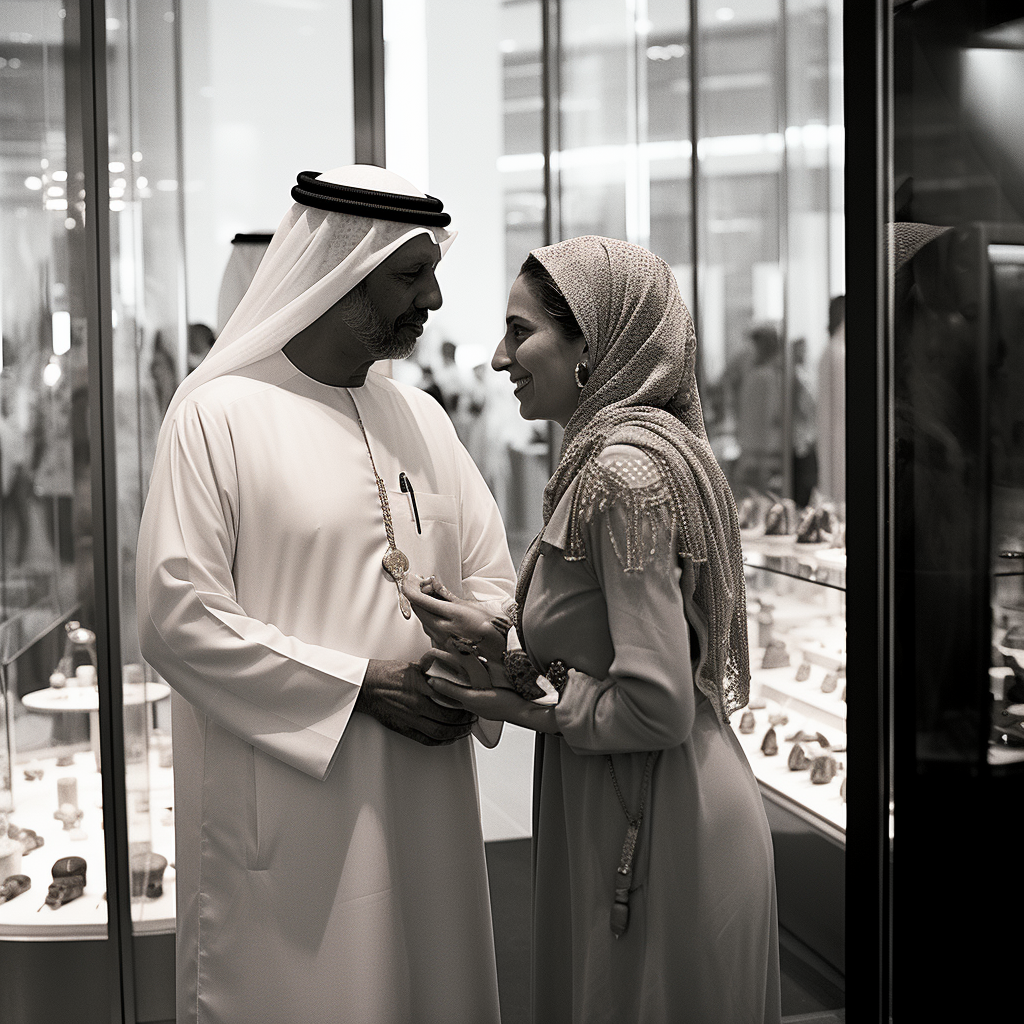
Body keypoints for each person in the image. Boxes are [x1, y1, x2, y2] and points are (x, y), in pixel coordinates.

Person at [136, 165, 516, 1024]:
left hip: (430, 793)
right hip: (291, 815)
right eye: (410, 276)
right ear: (346, 273)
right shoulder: (216, 415)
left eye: (431, 271)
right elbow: (176, 616)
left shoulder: (421, 419)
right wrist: (366, 685)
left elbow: (492, 573)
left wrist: (470, 661)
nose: (435, 296)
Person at [409, 236, 781, 1023]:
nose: (502, 356)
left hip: (660, 827)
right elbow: (606, 645)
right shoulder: (610, 462)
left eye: (521, 331)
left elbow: (656, 706)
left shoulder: (622, 475)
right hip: (631, 806)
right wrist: (499, 639)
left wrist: (516, 707)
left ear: (591, 345)